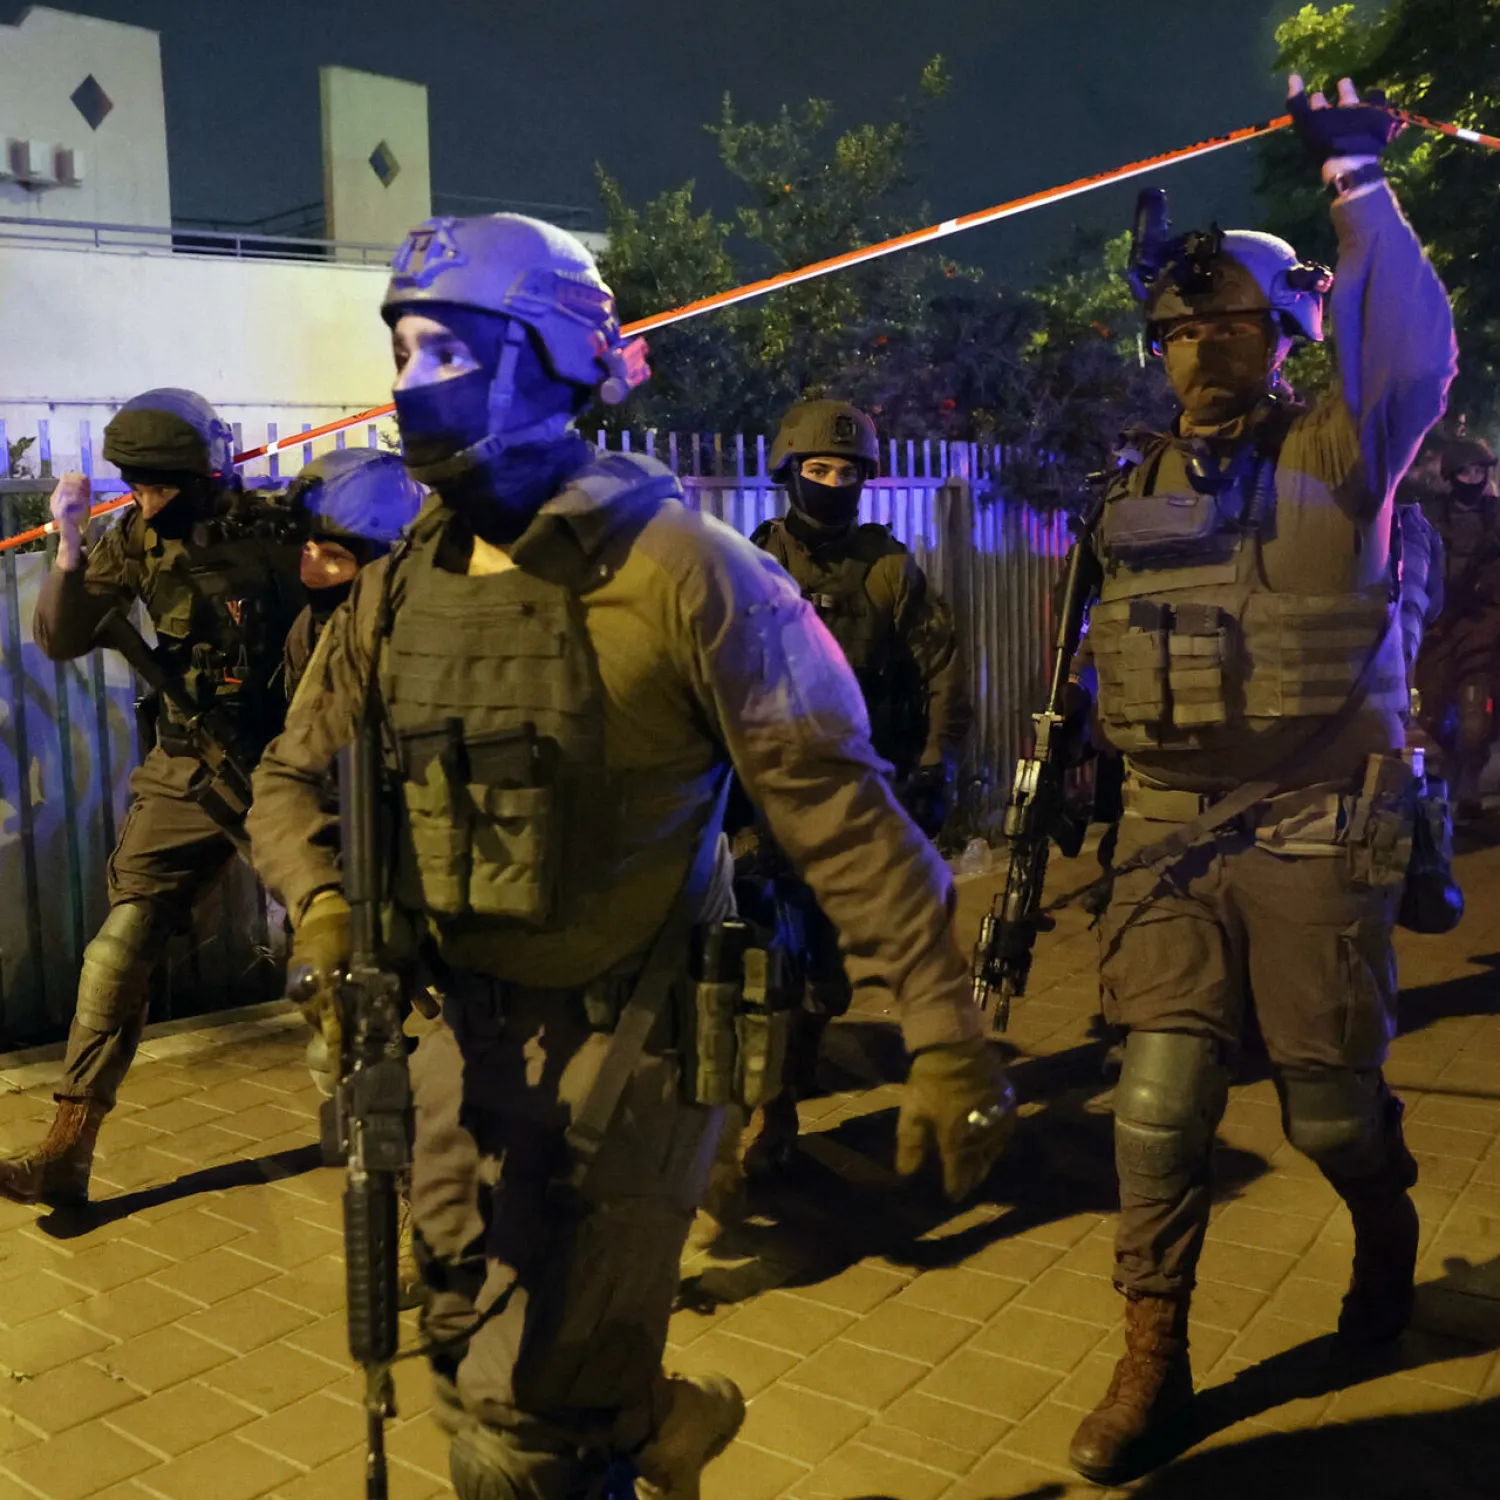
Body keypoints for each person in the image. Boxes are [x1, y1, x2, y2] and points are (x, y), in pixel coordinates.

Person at [244, 212, 1015, 1500]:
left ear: (553, 360)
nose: (413, 382)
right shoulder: (402, 586)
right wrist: (322, 903)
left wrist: (942, 1033)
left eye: (449, 349)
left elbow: (842, 812)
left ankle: (604, 1425)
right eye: (403, 350)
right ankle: (657, 1421)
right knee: (458, 1323)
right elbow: (288, 777)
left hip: (640, 1040)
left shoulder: (688, 576)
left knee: (518, 1442)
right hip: (461, 1033)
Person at [1062, 77, 1456, 1484]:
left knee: (1328, 1112)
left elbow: (1408, 350)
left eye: (1227, 325)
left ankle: (1385, 1225)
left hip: (1314, 831)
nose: (1198, 350)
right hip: (1168, 836)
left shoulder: (1345, 454)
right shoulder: (1129, 489)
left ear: (1285, 333)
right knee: (1157, 1106)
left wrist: (1357, 182)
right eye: (1178, 331)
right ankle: (1152, 1359)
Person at [0, 389, 307, 1206]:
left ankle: (417, 1168)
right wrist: (68, 542)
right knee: (118, 950)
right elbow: (62, 637)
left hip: (289, 768)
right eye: (136, 485)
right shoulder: (134, 538)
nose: (147, 501)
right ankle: (67, 1150)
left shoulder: (278, 530)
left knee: (339, 958)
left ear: (207, 473)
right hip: (188, 769)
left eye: (162, 486)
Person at [734, 398, 972, 1175]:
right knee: (764, 963)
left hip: (859, 796)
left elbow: (943, 672)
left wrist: (935, 768)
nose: (833, 484)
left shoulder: (889, 571)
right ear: (789, 472)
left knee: (827, 976)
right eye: (818, 469)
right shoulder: (751, 565)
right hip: (768, 793)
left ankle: (799, 1052)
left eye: (847, 473)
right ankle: (770, 1110)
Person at [282, 445, 426, 698]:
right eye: (307, 550)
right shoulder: (307, 629)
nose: (311, 570)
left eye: (333, 556)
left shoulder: (418, 639)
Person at [1414, 437, 1500, 817]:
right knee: (1431, 712)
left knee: (1474, 715)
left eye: (1480, 471)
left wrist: (1488, 584)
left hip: (1482, 626)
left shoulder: (1495, 517)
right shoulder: (1431, 516)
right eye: (1467, 472)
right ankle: (1451, 771)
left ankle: (1468, 789)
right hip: (1439, 628)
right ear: (1452, 476)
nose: (1475, 478)